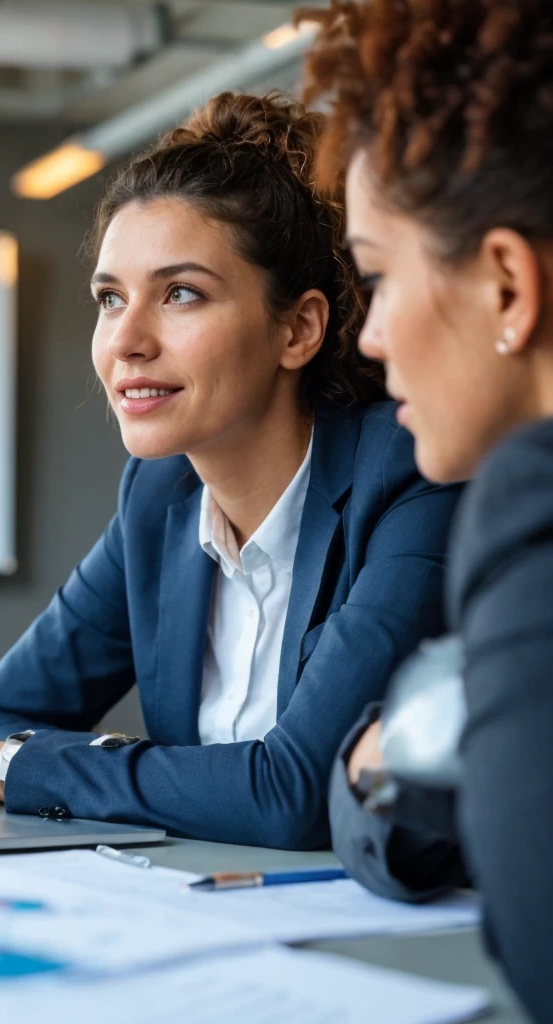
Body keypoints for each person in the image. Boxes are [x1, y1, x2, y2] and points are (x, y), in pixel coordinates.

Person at [0, 91, 460, 851]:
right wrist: (6, 760)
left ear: (297, 329)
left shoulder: (410, 478)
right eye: (109, 298)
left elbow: (292, 791)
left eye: (181, 294)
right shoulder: (160, 500)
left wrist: (3, 769)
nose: (125, 340)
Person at [303, 0, 553, 1017]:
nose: (368, 337)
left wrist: (390, 740)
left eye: (375, 275)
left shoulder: (528, 501)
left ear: (504, 284)